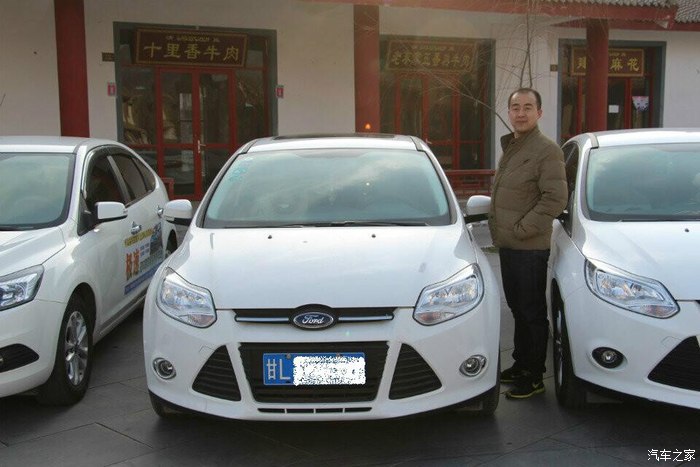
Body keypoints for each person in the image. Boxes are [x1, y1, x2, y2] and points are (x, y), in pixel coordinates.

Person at [489, 88, 568, 399]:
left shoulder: (546, 150)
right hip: (511, 245)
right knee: (518, 309)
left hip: (529, 247)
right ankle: (521, 364)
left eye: (527, 107)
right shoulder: (514, 145)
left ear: (539, 113)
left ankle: (534, 377)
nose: (520, 113)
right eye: (515, 107)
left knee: (531, 312)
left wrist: (523, 229)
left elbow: (555, 198)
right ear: (509, 112)